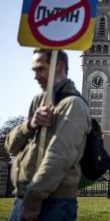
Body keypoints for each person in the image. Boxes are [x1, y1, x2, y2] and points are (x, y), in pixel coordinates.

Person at [5, 49, 91, 221]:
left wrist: (32, 201)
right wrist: (30, 125)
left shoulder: (73, 105)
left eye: (41, 69)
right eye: (34, 70)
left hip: (52, 202)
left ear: (59, 67)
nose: (35, 76)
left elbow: (59, 157)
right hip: (22, 198)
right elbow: (10, 147)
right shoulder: (39, 101)